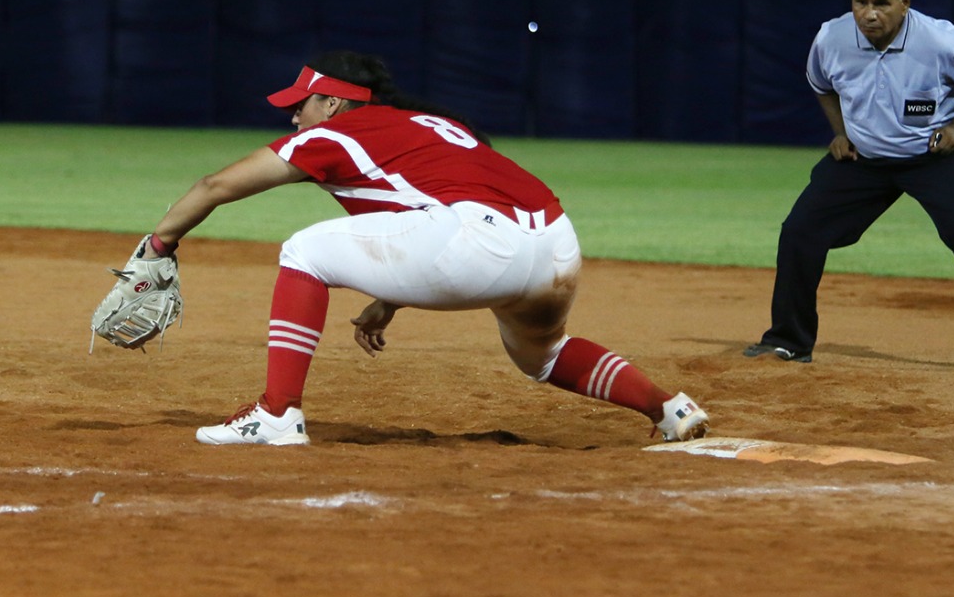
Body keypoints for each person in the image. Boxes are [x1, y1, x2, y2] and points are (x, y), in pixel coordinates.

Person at [133, 49, 709, 445]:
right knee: (543, 352)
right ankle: (668, 408)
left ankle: (277, 414)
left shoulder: (337, 132)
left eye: (301, 104)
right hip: (555, 241)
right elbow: (431, 206)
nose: (294, 115)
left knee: (303, 252)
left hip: (478, 241)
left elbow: (215, 185)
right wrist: (391, 296)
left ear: (331, 103)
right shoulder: (428, 124)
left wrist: (159, 243)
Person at [744, 0, 954, 373]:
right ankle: (788, 340)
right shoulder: (831, 37)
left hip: (932, 159)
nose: (869, 13)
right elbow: (822, 85)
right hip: (863, 159)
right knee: (800, 232)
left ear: (905, 2)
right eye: (860, 1)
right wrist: (840, 132)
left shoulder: (939, 40)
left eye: (881, 2)